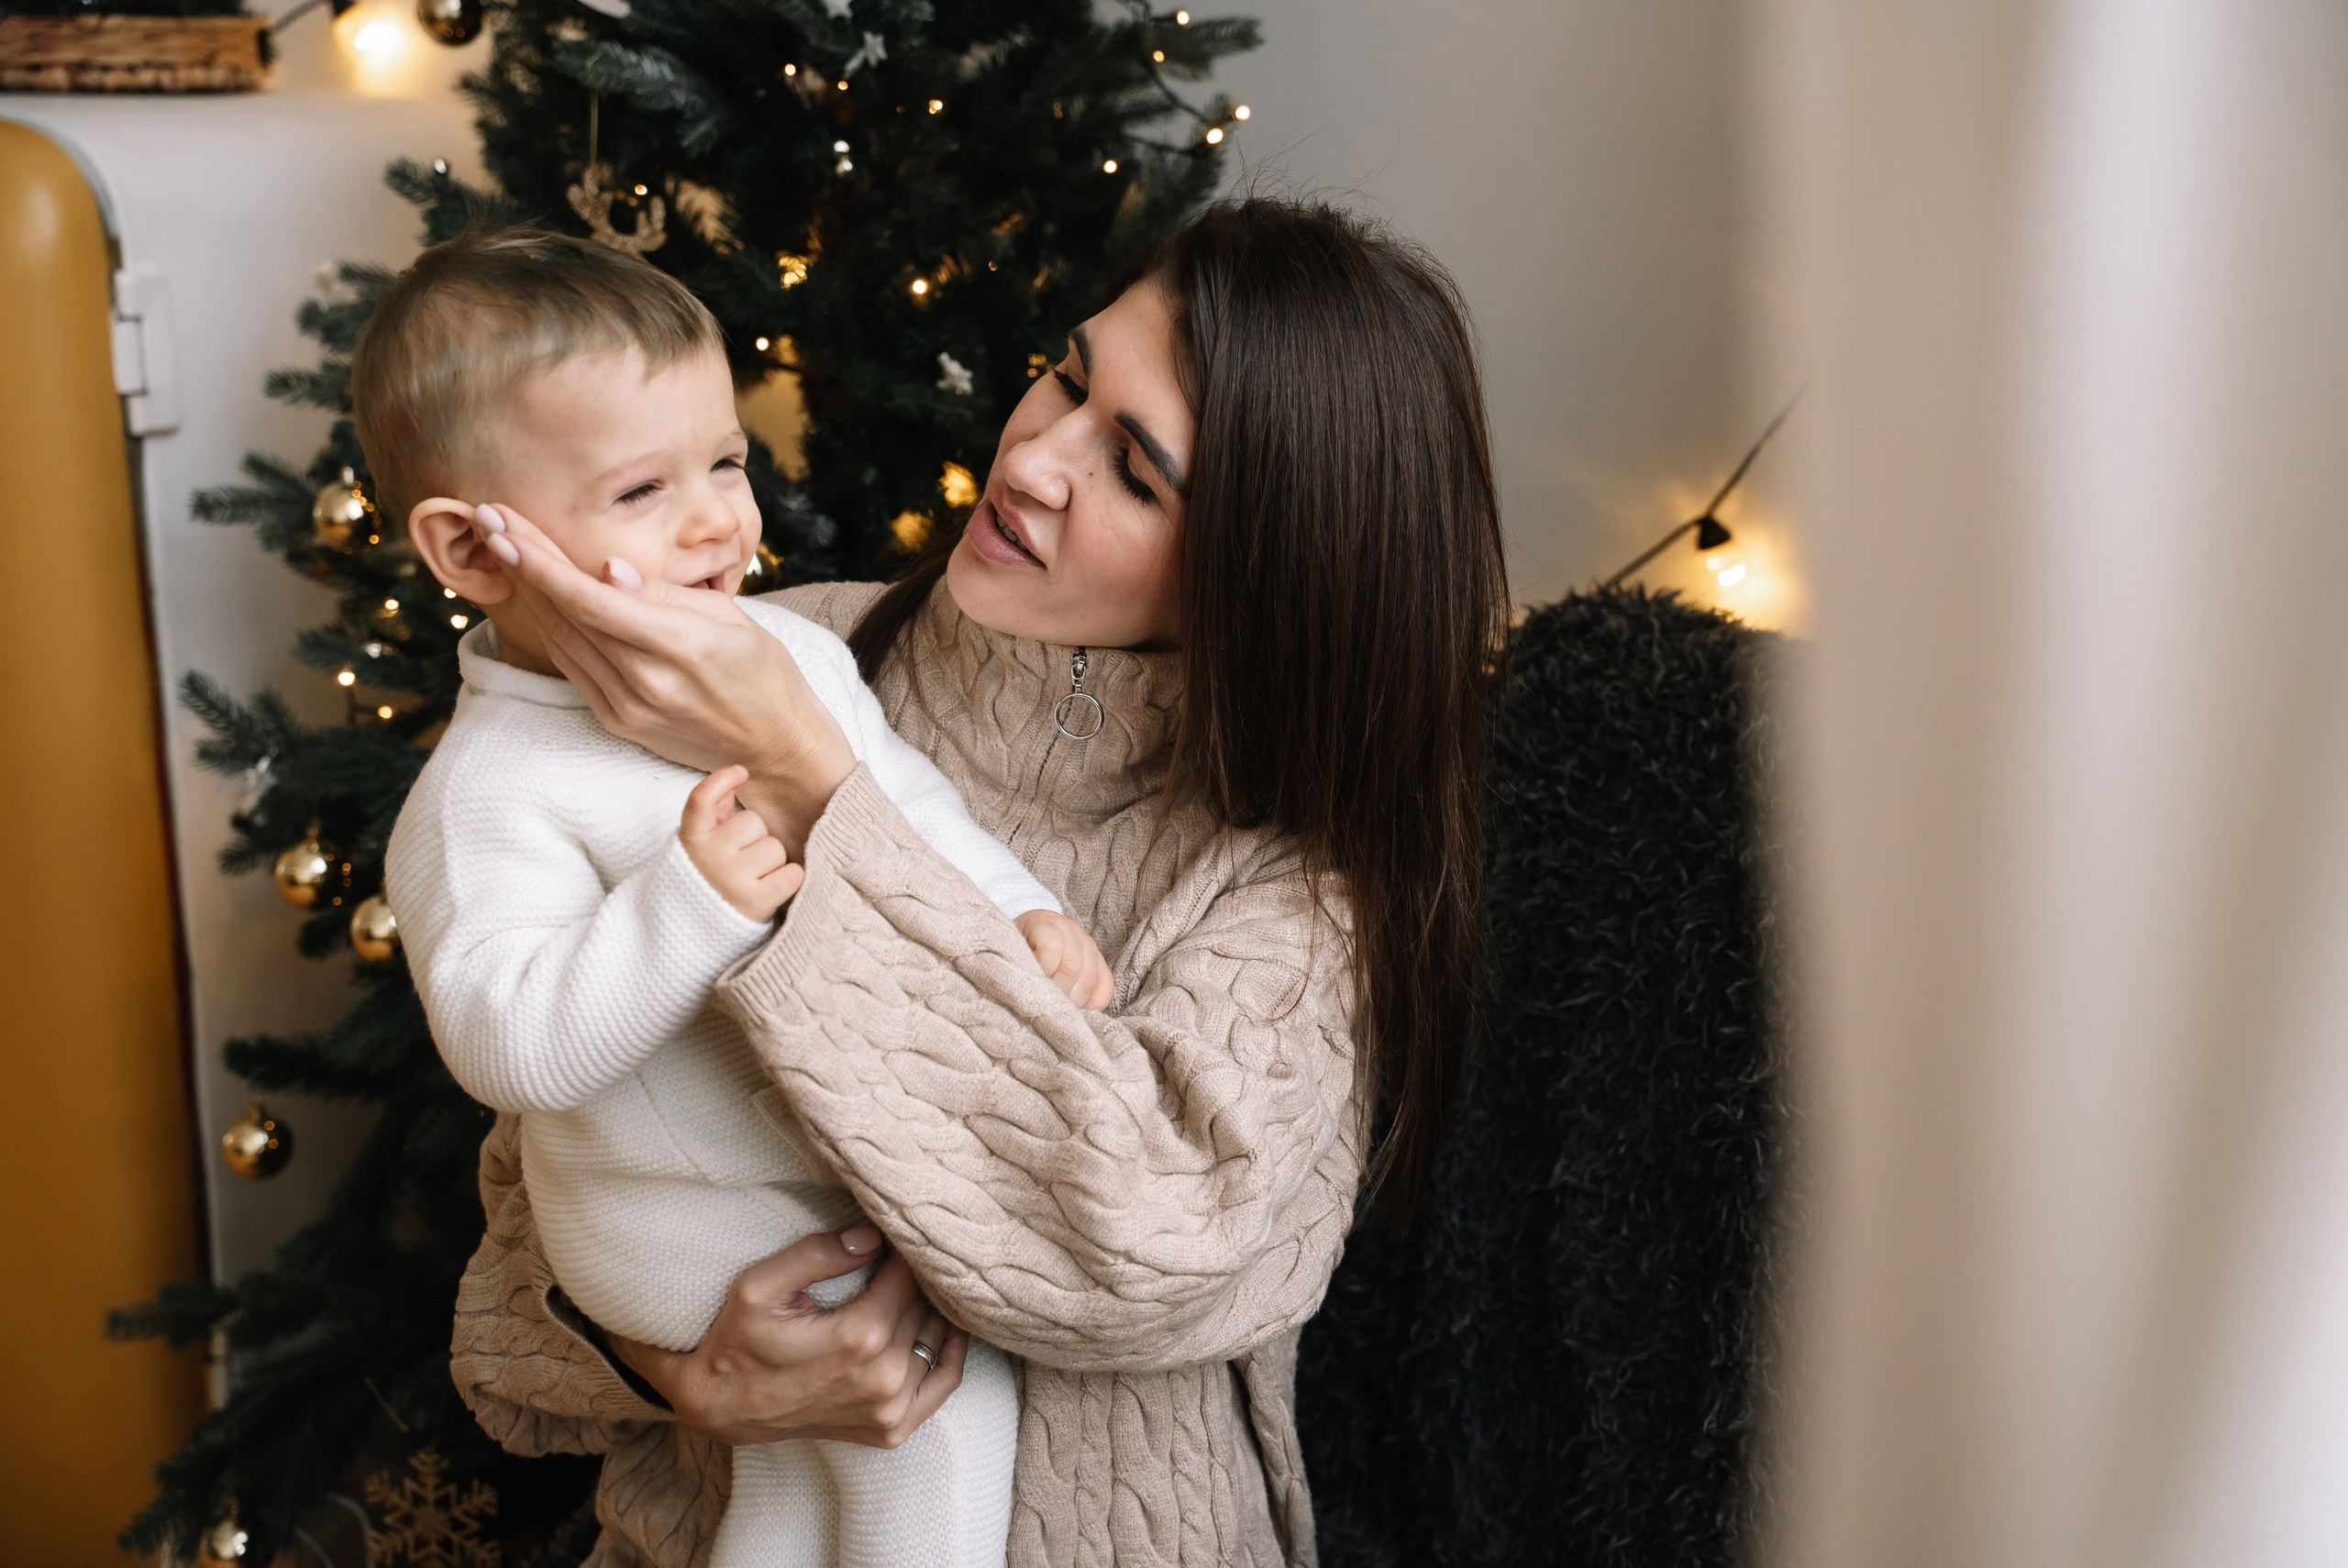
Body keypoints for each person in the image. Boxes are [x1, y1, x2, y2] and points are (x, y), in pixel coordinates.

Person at [448, 197, 1507, 1568]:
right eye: (1068, 375)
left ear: (1265, 566)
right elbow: (529, 1196)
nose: (1036, 457)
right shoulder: (764, 647)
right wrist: (680, 1367)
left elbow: (1132, 1245)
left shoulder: (1296, 888)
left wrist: (814, 785)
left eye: (1136, 470)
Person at [357, 228, 1110, 1568]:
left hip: (802, 1182)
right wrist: (686, 902)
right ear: (475, 549)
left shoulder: (791, 653)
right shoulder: (487, 794)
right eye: (644, 488)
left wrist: (1016, 916)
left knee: (795, 1494)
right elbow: (507, 1044)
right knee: (940, 1416)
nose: (723, 519)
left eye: (726, 460)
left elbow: (904, 801)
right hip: (670, 1227)